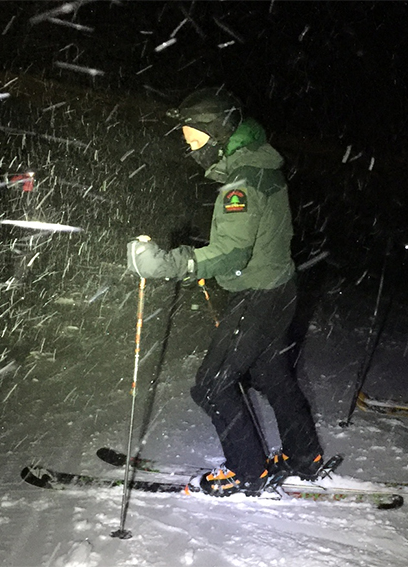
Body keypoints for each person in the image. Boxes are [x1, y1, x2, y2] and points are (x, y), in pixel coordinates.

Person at [126, 87, 324, 496]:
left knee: (212, 385)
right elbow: (252, 234)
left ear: (215, 133)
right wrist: (206, 249)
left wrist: (170, 263)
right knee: (271, 375)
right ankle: (305, 456)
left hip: (258, 295)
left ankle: (247, 471)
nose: (188, 146)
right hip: (279, 287)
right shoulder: (258, 165)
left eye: (192, 137)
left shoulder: (243, 180)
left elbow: (234, 251)